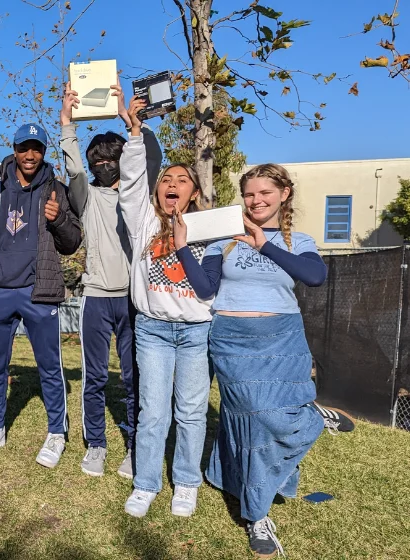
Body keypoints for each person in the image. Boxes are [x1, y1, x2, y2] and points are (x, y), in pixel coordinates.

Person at [174, 163, 327, 558]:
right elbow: (206, 289)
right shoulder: (222, 240)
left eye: (265, 193)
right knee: (256, 417)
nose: (256, 200)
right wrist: (180, 248)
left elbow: (313, 277)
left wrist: (265, 245)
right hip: (232, 341)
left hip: (283, 339)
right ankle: (257, 515)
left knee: (263, 419)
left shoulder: (301, 240)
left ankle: (257, 497)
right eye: (249, 194)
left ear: (284, 195)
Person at [59, 79, 163, 479]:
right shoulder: (85, 196)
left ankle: (136, 445)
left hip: (135, 298)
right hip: (96, 298)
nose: (104, 166)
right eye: (96, 160)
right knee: (95, 375)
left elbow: (150, 160)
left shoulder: (140, 193)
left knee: (135, 375)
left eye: (111, 159)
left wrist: (131, 121)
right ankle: (97, 445)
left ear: (123, 159)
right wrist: (67, 121)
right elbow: (73, 167)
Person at [0, 123, 83, 467]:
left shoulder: (56, 189)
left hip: (38, 290)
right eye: (23, 148)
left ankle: (57, 431)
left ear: (44, 152)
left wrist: (58, 219)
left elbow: (73, 242)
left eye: (37, 149)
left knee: (49, 367)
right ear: (13, 148)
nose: (30, 156)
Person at [117, 97, 213, 519]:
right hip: (152, 329)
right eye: (166, 178)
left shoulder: (209, 227)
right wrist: (135, 134)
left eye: (181, 179)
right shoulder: (143, 222)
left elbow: (211, 287)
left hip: (195, 333)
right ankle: (146, 484)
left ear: (193, 192)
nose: (172, 182)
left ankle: (187, 482)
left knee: (191, 411)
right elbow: (133, 183)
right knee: (153, 410)